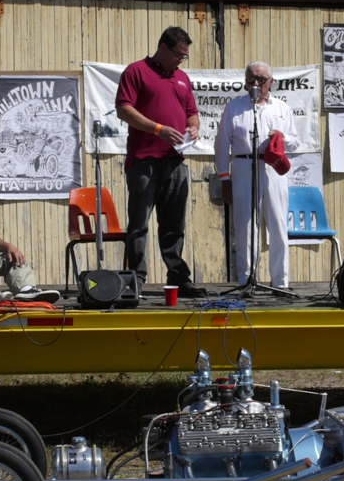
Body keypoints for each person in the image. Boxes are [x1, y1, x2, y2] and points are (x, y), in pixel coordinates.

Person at [115, 26, 205, 297]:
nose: (181, 60)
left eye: (184, 56)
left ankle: (178, 278)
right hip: (144, 161)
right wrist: (158, 129)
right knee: (139, 224)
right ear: (162, 47)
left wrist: (194, 128)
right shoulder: (136, 71)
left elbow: (192, 112)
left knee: (175, 225)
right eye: (178, 54)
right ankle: (136, 279)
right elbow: (124, 109)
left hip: (175, 161)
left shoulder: (182, 78)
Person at [214, 62, 300, 290]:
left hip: (272, 168)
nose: (255, 83)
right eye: (251, 79)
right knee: (245, 227)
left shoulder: (282, 107)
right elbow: (221, 145)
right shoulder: (234, 107)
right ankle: (247, 281)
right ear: (245, 82)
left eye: (261, 79)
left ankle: (280, 282)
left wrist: (281, 136)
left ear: (271, 82)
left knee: (278, 225)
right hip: (243, 166)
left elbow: (296, 141)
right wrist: (224, 179)